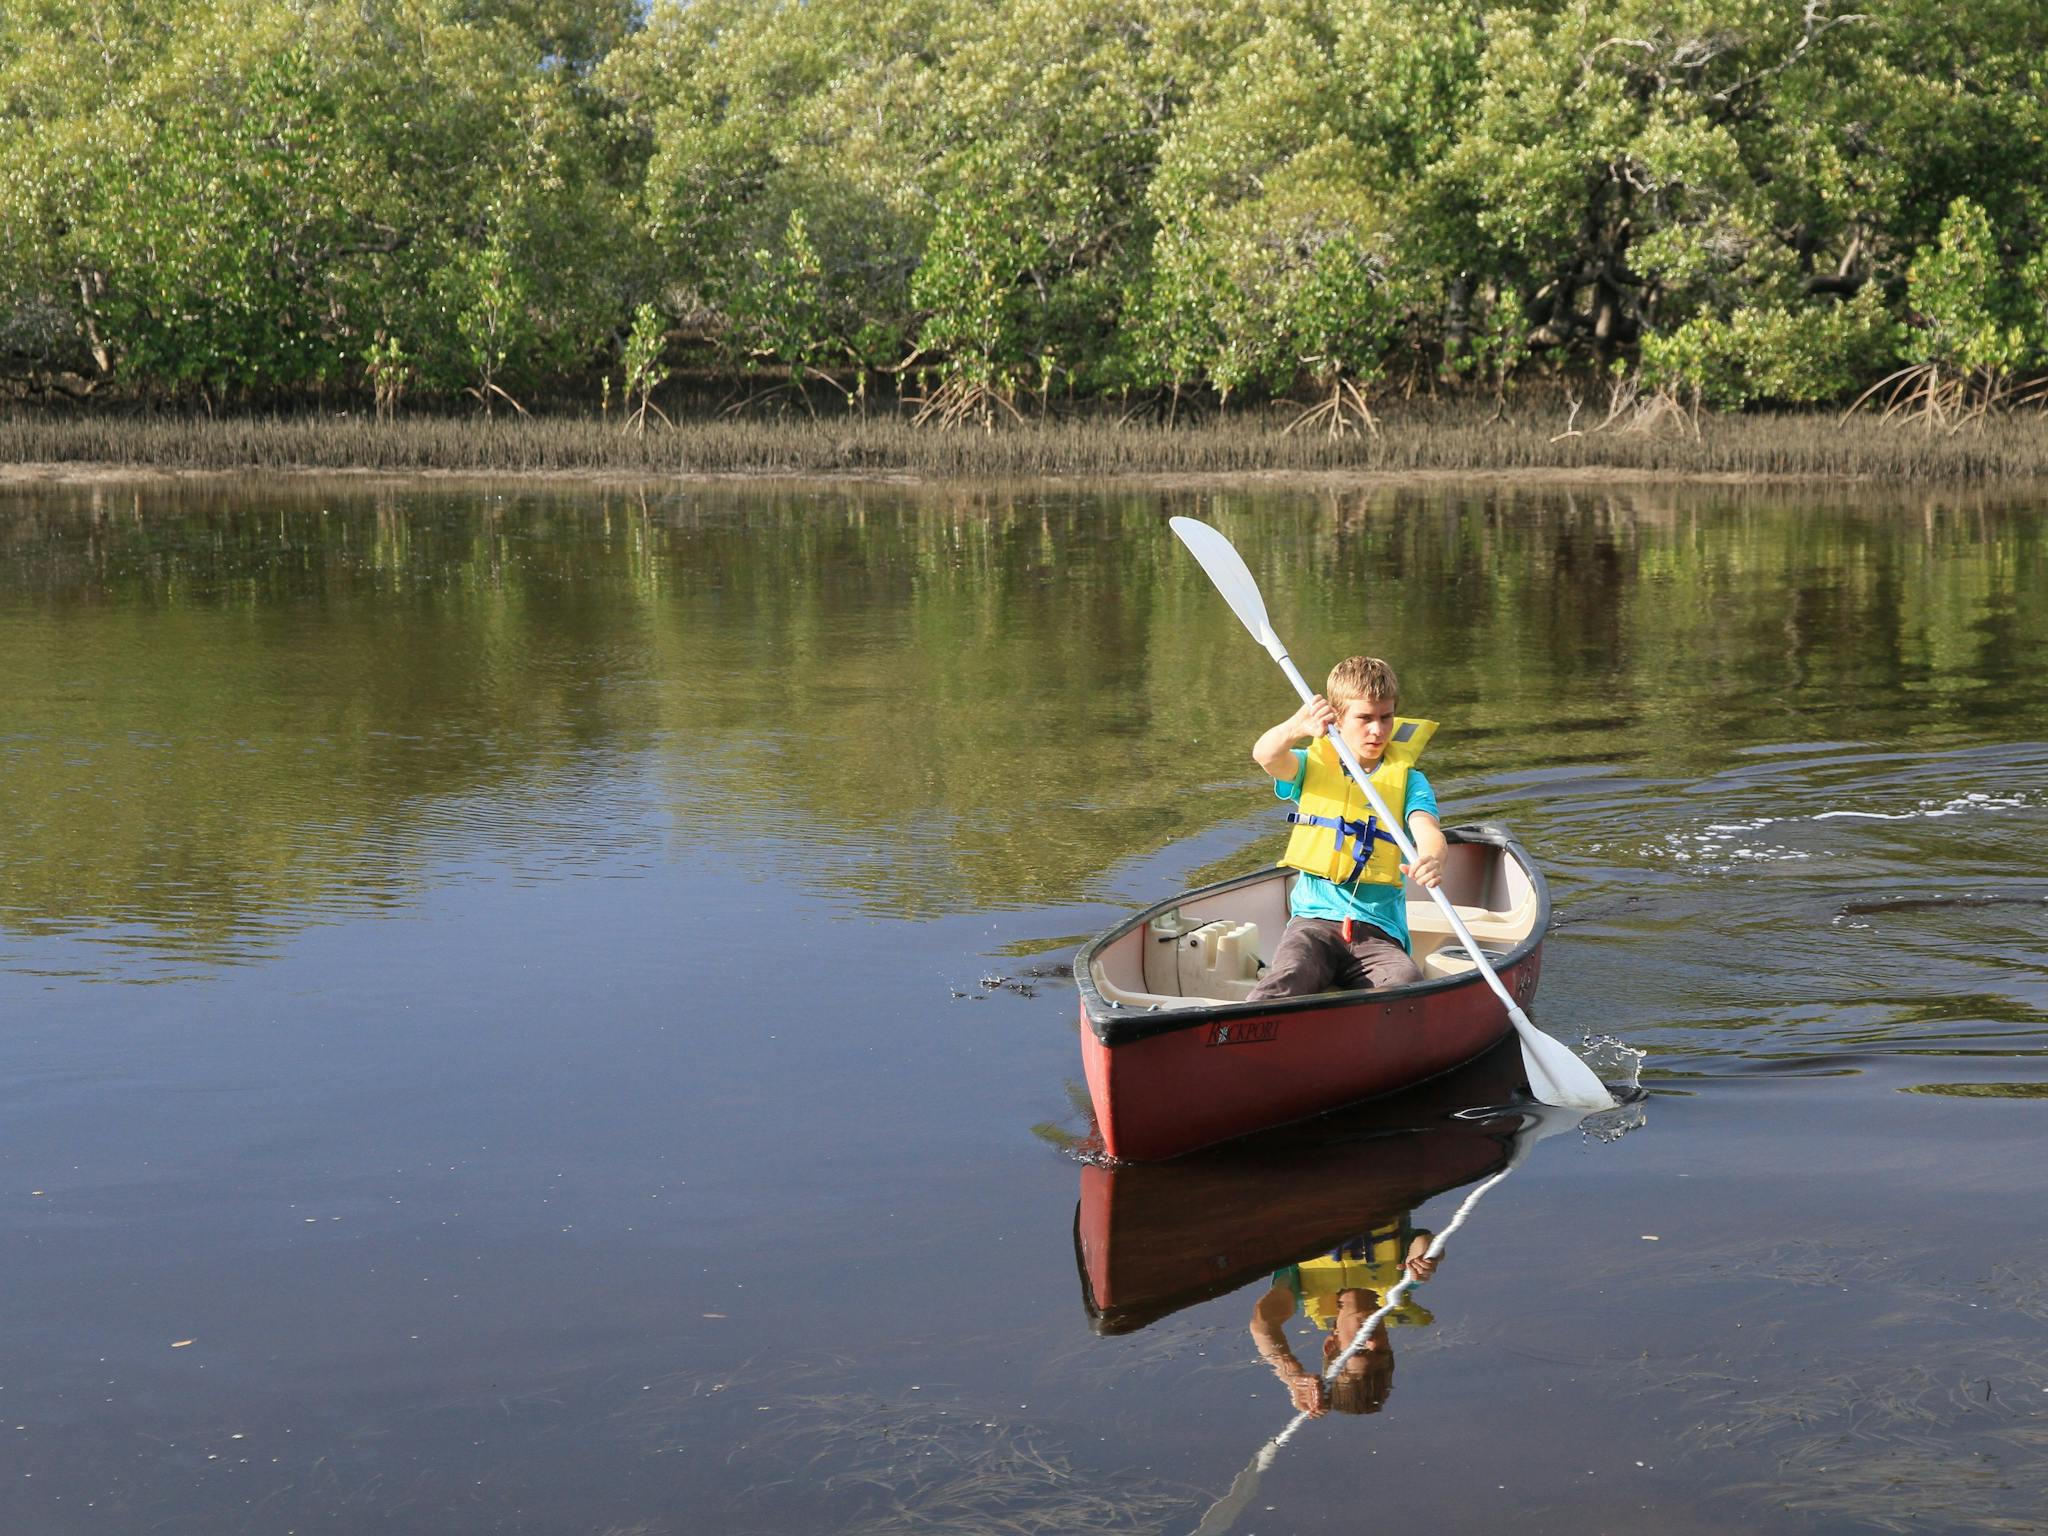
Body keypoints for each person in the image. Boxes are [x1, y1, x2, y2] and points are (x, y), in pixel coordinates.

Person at [1246, 655, 1445, 1001]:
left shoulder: (1411, 781)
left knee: (1405, 980)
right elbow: (1266, 755)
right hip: (1314, 923)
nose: (1378, 730)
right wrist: (1296, 727)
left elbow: (1427, 829)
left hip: (1379, 930)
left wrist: (1432, 858)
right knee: (1287, 977)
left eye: (1386, 717)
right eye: (1365, 718)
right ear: (1338, 718)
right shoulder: (1312, 766)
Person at [1248, 1217, 1440, 1417]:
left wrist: (1291, 1374)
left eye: (1360, 1351)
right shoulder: (1402, 1280)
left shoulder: (1300, 1288)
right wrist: (1424, 1257)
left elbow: (1262, 1325)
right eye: (1381, 1350)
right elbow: (1425, 1242)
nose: (1372, 1342)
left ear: (1331, 1344)